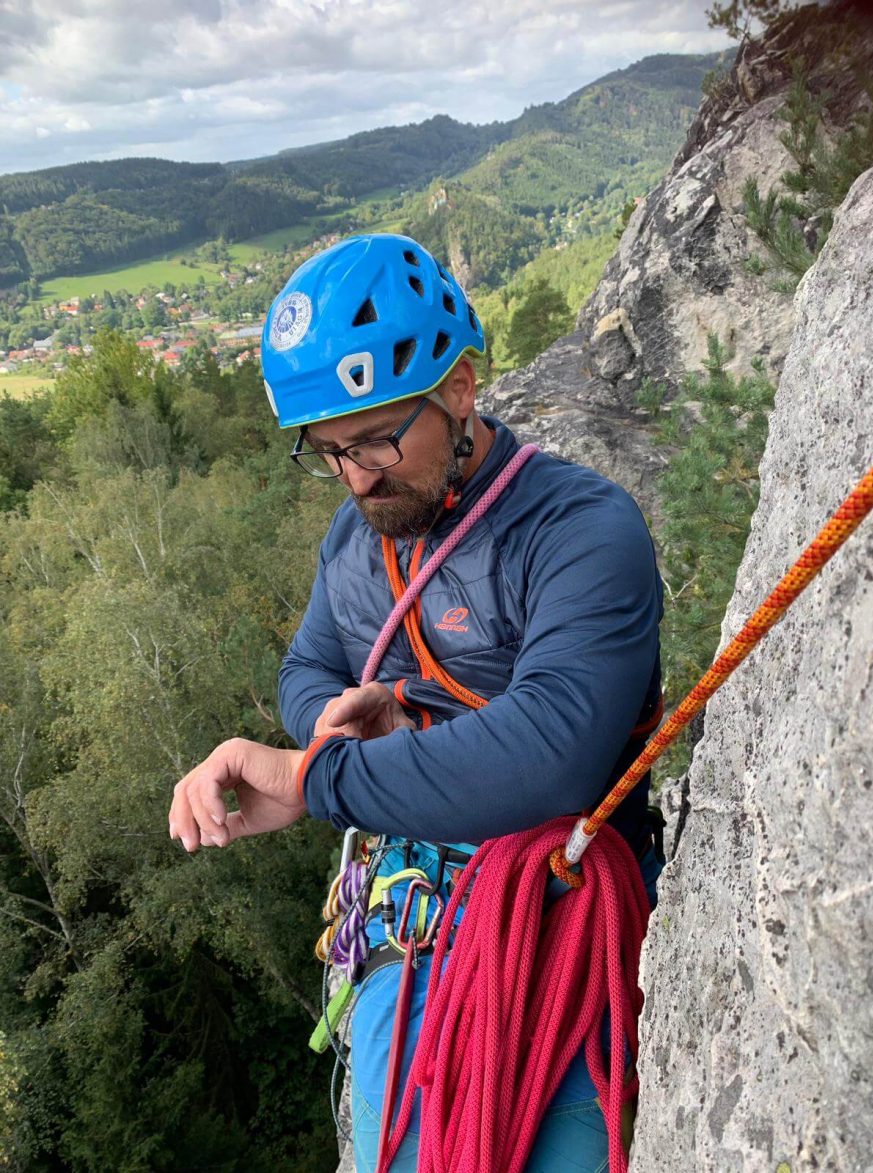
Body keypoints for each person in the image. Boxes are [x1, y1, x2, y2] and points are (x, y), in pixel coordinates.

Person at [168, 232, 664, 1172]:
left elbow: (554, 753)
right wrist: (373, 718)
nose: (359, 477)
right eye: (329, 451)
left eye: (378, 437)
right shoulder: (357, 543)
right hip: (417, 911)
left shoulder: (580, 530)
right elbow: (306, 670)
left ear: (461, 390)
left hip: (560, 912)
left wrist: (321, 778)